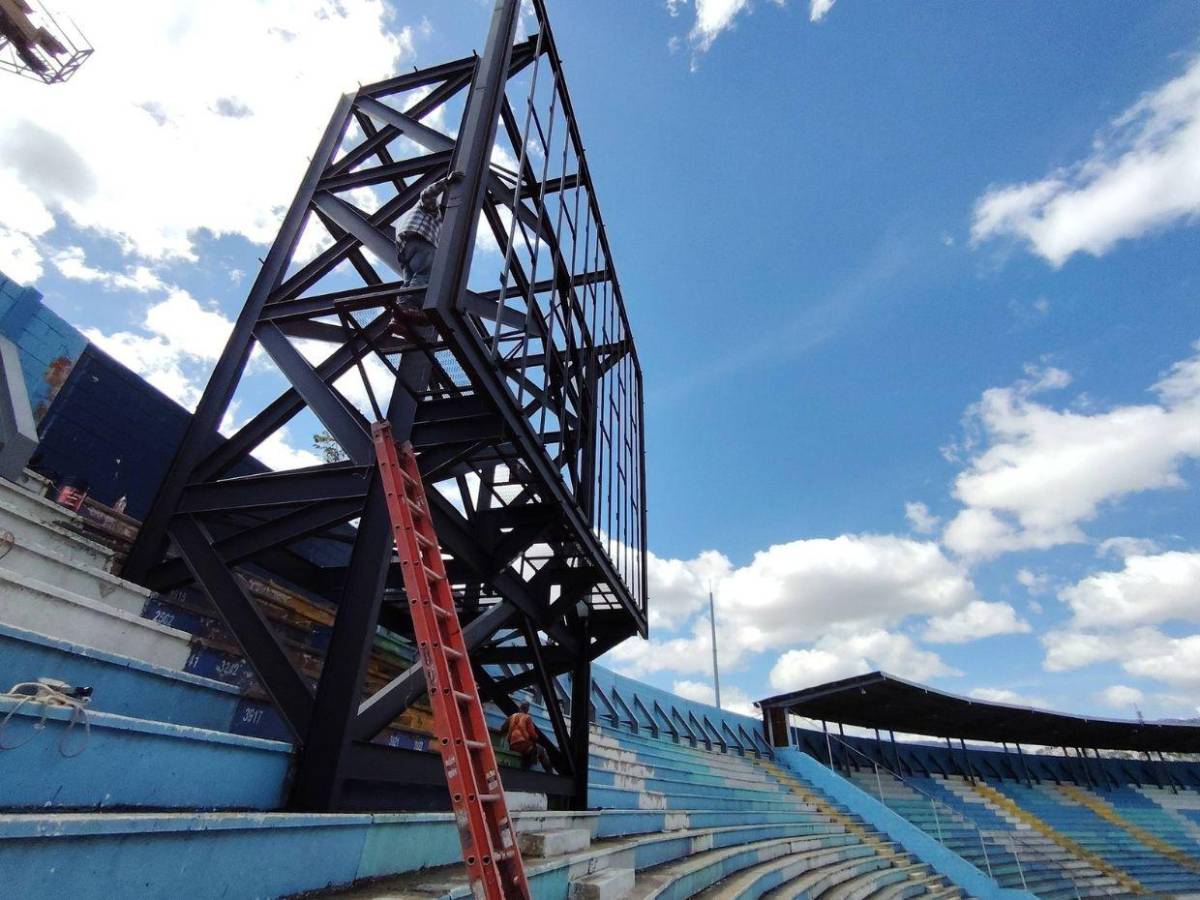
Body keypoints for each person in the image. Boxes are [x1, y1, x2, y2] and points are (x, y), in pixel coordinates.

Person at [394, 170, 460, 314]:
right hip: (420, 242)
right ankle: (411, 306)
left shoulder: (410, 215)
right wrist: (446, 181)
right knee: (426, 273)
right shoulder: (432, 210)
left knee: (408, 282)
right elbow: (426, 194)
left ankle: (401, 310)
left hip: (405, 251)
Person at [501, 700, 551, 771]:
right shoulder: (527, 718)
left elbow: (502, 728)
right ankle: (549, 772)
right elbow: (533, 735)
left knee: (531, 749)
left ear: (519, 708)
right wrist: (537, 738)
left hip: (512, 746)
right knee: (541, 750)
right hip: (524, 747)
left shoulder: (512, 717)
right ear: (527, 710)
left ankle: (524, 768)